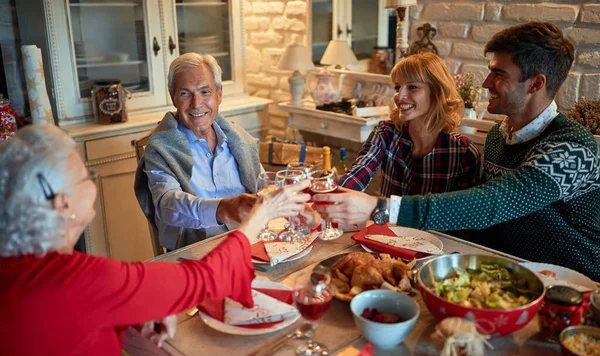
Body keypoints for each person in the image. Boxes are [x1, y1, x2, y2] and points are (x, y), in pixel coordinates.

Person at [0, 125, 310, 356]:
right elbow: (205, 278)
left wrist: (133, 308)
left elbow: (65, 324)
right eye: (86, 176)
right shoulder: (73, 279)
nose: (91, 184)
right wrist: (260, 217)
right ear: (62, 202)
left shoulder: (23, 265)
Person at [313, 22, 600, 280]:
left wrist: (381, 208)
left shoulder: (571, 148)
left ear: (536, 83)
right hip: (506, 273)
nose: (486, 83)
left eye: (498, 74)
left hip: (573, 284)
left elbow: (494, 203)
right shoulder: (498, 137)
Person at [134, 52, 263, 251]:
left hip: (252, 247)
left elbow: (264, 186)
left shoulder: (239, 140)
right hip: (196, 256)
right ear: (173, 97)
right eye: (185, 93)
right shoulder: (161, 148)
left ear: (219, 93)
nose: (196, 104)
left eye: (205, 91)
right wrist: (224, 209)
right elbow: (168, 205)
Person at [339, 53, 482, 196]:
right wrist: (334, 194)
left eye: (412, 87)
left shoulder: (463, 153)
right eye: (397, 87)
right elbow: (359, 172)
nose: (399, 96)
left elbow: (462, 213)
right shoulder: (385, 133)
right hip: (387, 219)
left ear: (436, 92)